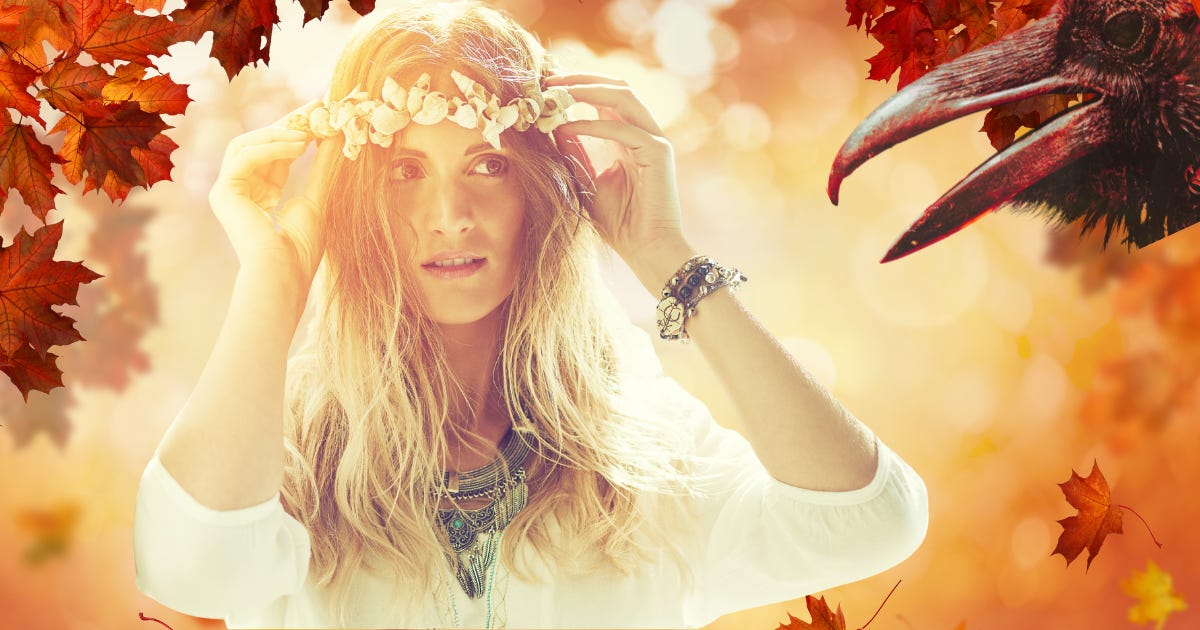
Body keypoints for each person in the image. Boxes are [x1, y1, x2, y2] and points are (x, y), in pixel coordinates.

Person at [132, 1, 929, 628]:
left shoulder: (643, 458)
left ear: (540, 192)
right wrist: (276, 279)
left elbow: (870, 521)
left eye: (488, 164)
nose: (449, 213)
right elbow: (188, 569)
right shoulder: (285, 454)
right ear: (355, 196)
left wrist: (664, 256)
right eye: (405, 169)